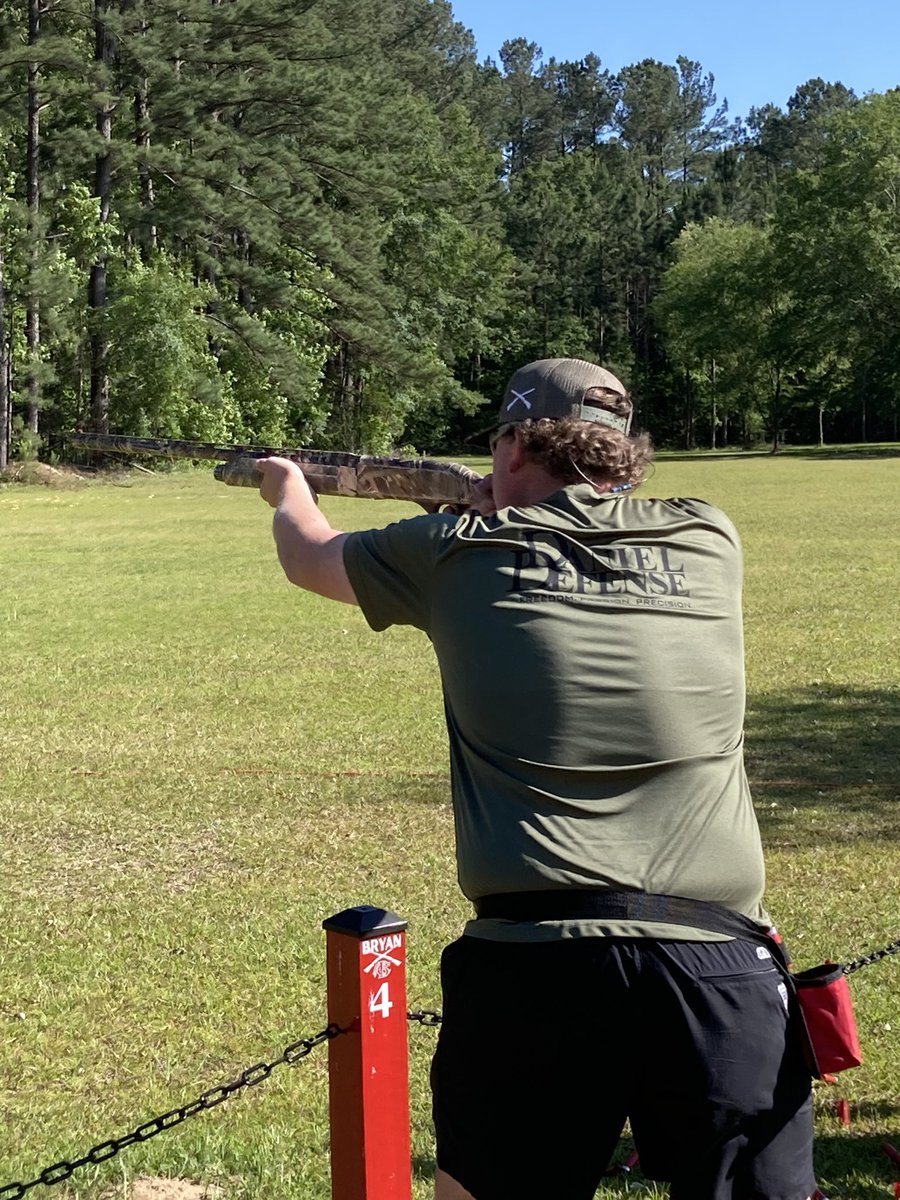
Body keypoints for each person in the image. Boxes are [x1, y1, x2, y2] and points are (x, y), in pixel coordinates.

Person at [256, 357, 816, 1200]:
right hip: (720, 961)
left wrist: (288, 487)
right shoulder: (708, 536)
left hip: (534, 967)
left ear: (515, 444)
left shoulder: (449, 552)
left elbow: (310, 555)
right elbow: (580, 537)